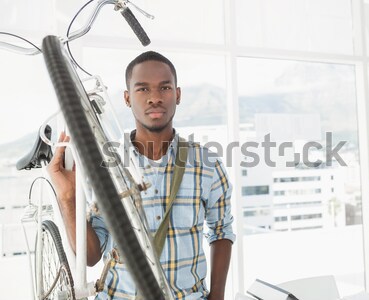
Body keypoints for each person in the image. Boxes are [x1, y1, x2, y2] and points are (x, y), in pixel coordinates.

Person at [48, 51, 235, 300]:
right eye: (143, 89)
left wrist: (217, 297)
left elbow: (221, 231)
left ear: (177, 95)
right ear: (127, 98)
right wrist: (68, 198)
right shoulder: (105, 166)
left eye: (164, 88)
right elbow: (91, 256)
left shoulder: (207, 164)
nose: (155, 98)